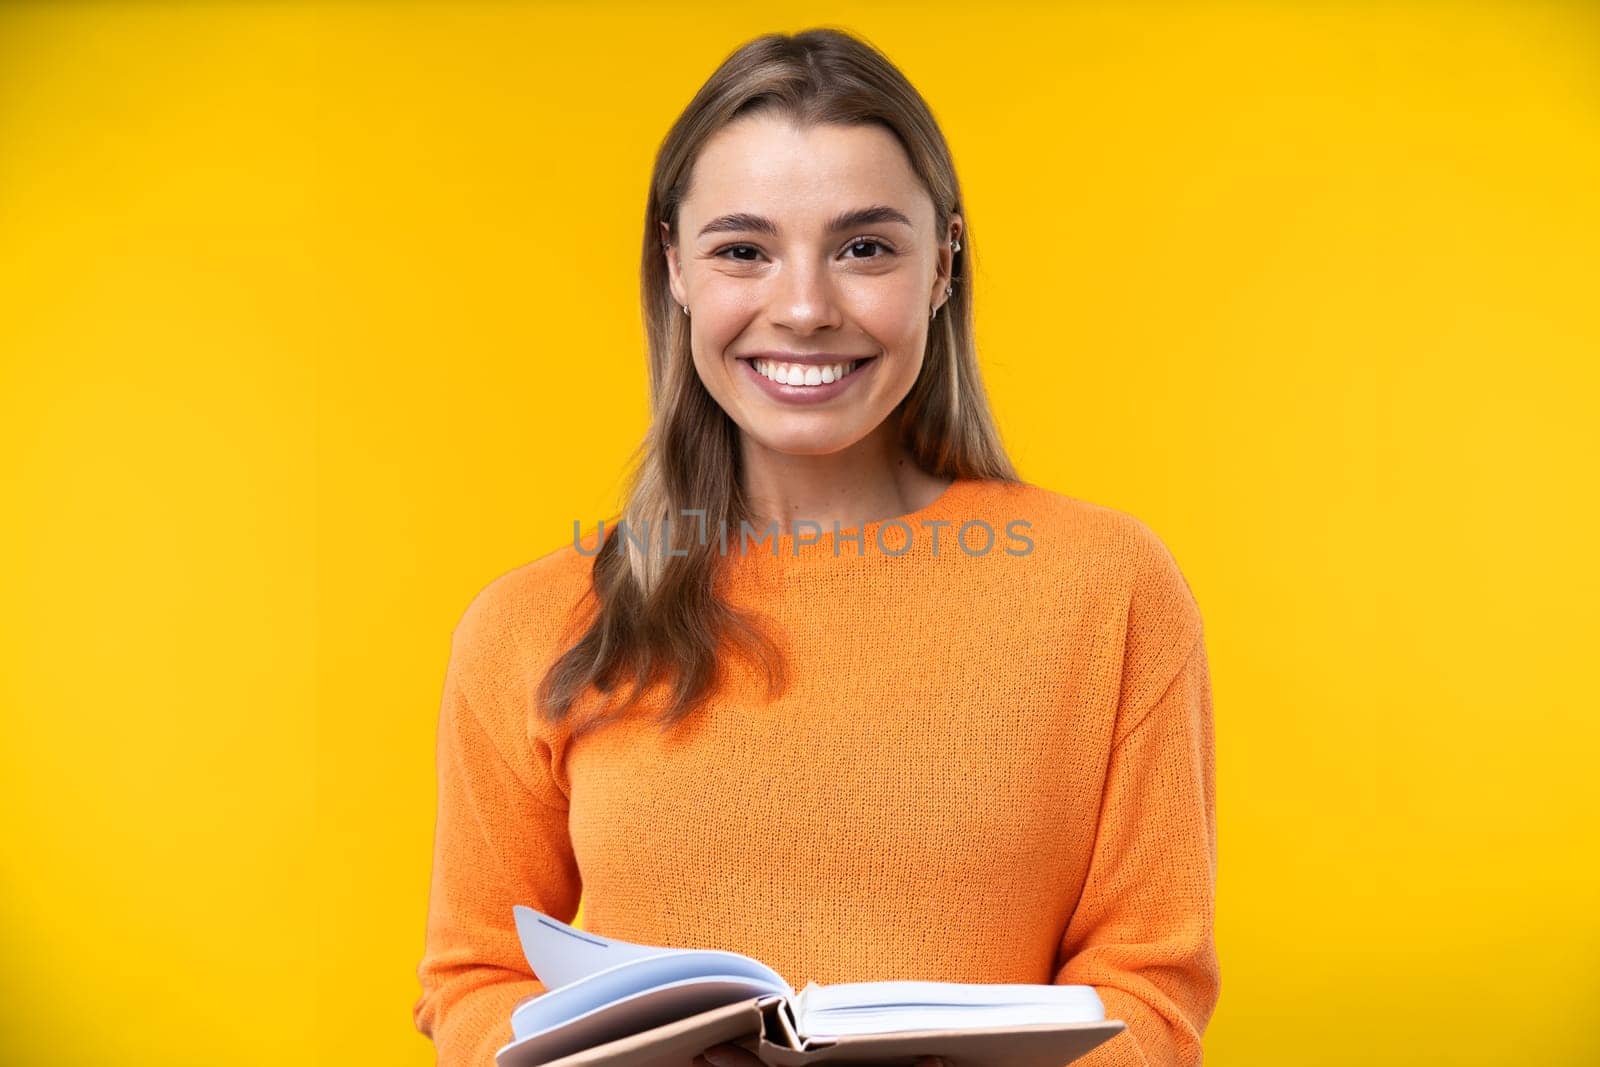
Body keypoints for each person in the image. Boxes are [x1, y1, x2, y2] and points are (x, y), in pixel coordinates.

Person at [412, 26, 1218, 1067]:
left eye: (864, 247)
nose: (802, 308)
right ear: (677, 268)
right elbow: (474, 980)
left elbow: (1150, 987)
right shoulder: (530, 624)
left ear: (943, 264)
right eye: (743, 249)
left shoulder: (1108, 587)